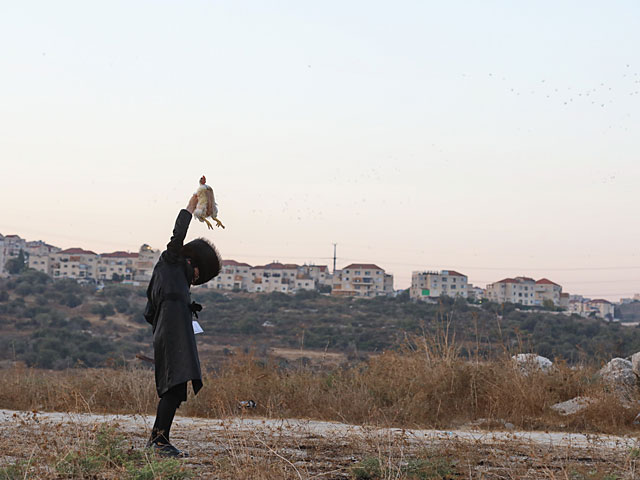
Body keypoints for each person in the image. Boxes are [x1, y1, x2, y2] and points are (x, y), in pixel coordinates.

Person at [143, 194, 221, 457]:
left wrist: (187, 307)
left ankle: (159, 439)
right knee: (172, 386)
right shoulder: (172, 260)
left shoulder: (176, 277)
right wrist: (190, 208)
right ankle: (158, 441)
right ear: (195, 263)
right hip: (171, 332)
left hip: (174, 330)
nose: (197, 278)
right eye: (199, 273)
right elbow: (177, 236)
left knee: (176, 389)